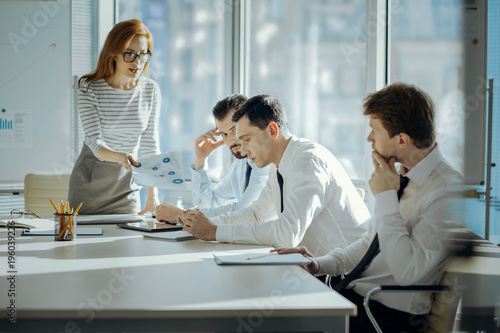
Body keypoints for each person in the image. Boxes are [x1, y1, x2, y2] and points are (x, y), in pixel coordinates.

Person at [275, 83, 463, 333]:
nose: (369, 139)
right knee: (272, 299)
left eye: (375, 130)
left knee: (278, 321)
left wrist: (386, 196)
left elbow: (408, 272)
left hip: (387, 315)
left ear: (402, 140)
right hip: (356, 296)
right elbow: (369, 244)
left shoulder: (446, 192)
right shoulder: (399, 176)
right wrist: (319, 264)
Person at [178, 95, 370, 256]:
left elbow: (287, 235)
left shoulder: (307, 162)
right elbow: (257, 214)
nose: (242, 150)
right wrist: (205, 224)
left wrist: (213, 232)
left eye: (247, 139)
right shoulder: (278, 166)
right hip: (321, 271)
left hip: (350, 281)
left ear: (272, 130)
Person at [68, 19, 160, 215]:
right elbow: (94, 141)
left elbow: (150, 143)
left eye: (142, 54)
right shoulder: (89, 88)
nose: (137, 62)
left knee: (126, 243)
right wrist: (121, 156)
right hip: (89, 185)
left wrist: (153, 194)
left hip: (126, 187)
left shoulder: (150, 90)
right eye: (129, 54)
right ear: (114, 53)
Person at [155, 94, 270, 222]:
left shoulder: (266, 161)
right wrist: (200, 161)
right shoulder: (240, 166)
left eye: (234, 130)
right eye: (224, 134)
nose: (231, 140)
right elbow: (208, 204)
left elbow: (245, 212)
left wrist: (182, 215)